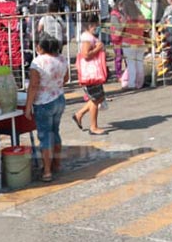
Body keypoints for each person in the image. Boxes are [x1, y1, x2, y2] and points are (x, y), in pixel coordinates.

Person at [24, 35, 68, 182]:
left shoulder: (37, 63)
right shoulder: (62, 59)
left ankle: (47, 171)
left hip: (43, 103)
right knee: (55, 132)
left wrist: (28, 106)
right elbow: (66, 79)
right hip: (59, 99)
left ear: (40, 47)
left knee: (45, 136)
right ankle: (57, 165)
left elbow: (33, 86)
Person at [72, 14, 109, 136]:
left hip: (93, 72)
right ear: (90, 25)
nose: (97, 27)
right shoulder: (87, 38)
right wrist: (98, 49)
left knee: (99, 97)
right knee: (95, 99)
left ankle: (79, 114)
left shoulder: (89, 36)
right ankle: (93, 127)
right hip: (90, 72)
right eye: (95, 25)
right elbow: (85, 55)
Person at [118, 0, 148, 90]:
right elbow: (147, 28)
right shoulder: (141, 17)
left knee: (131, 64)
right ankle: (140, 82)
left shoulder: (126, 19)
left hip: (128, 43)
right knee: (139, 63)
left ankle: (132, 84)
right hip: (140, 42)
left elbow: (119, 31)